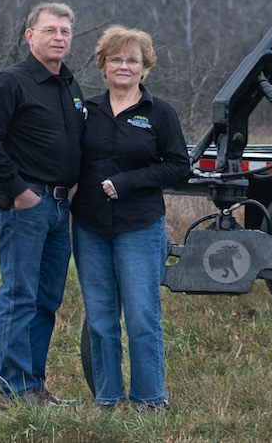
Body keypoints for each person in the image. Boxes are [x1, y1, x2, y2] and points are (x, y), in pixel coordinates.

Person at [0, 2, 86, 406]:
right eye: (51, 30)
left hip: (59, 207)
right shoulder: (12, 82)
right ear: (30, 35)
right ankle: (14, 390)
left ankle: (34, 387)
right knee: (20, 296)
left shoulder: (70, 84)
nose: (59, 37)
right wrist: (21, 191)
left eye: (66, 31)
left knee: (47, 301)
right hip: (26, 207)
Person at [71, 25, 188, 410]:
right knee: (102, 320)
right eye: (116, 59)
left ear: (145, 68)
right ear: (103, 66)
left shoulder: (160, 113)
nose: (124, 66)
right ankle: (107, 398)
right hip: (89, 227)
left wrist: (128, 182)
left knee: (141, 317)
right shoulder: (85, 111)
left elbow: (178, 166)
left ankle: (149, 400)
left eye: (132, 60)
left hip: (139, 227)